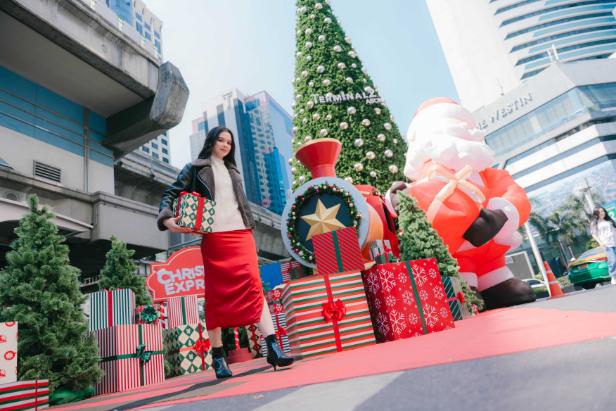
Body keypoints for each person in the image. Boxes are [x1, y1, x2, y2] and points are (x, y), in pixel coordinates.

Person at [157, 126, 293, 378]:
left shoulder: (234, 170)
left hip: (242, 234)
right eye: (221, 140)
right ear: (211, 141)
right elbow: (170, 193)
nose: (225, 145)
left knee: (254, 287)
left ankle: (273, 347)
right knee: (216, 295)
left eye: (229, 142)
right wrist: (166, 219)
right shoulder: (195, 168)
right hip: (215, 238)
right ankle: (219, 357)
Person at [387, 98, 535, 309]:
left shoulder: (490, 175)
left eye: (456, 128)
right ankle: (464, 287)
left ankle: (495, 283)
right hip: (456, 256)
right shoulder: (427, 178)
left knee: (511, 291)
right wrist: (398, 198)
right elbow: (415, 200)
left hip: (492, 254)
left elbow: (516, 196)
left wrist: (501, 214)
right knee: (464, 294)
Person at [590, 207, 616, 285]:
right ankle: (613, 276)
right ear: (596, 214)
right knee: (613, 260)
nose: (602, 213)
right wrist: (600, 243)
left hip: (614, 241)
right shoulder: (594, 223)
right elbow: (594, 234)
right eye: (600, 212)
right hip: (607, 244)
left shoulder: (609, 220)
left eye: (603, 211)